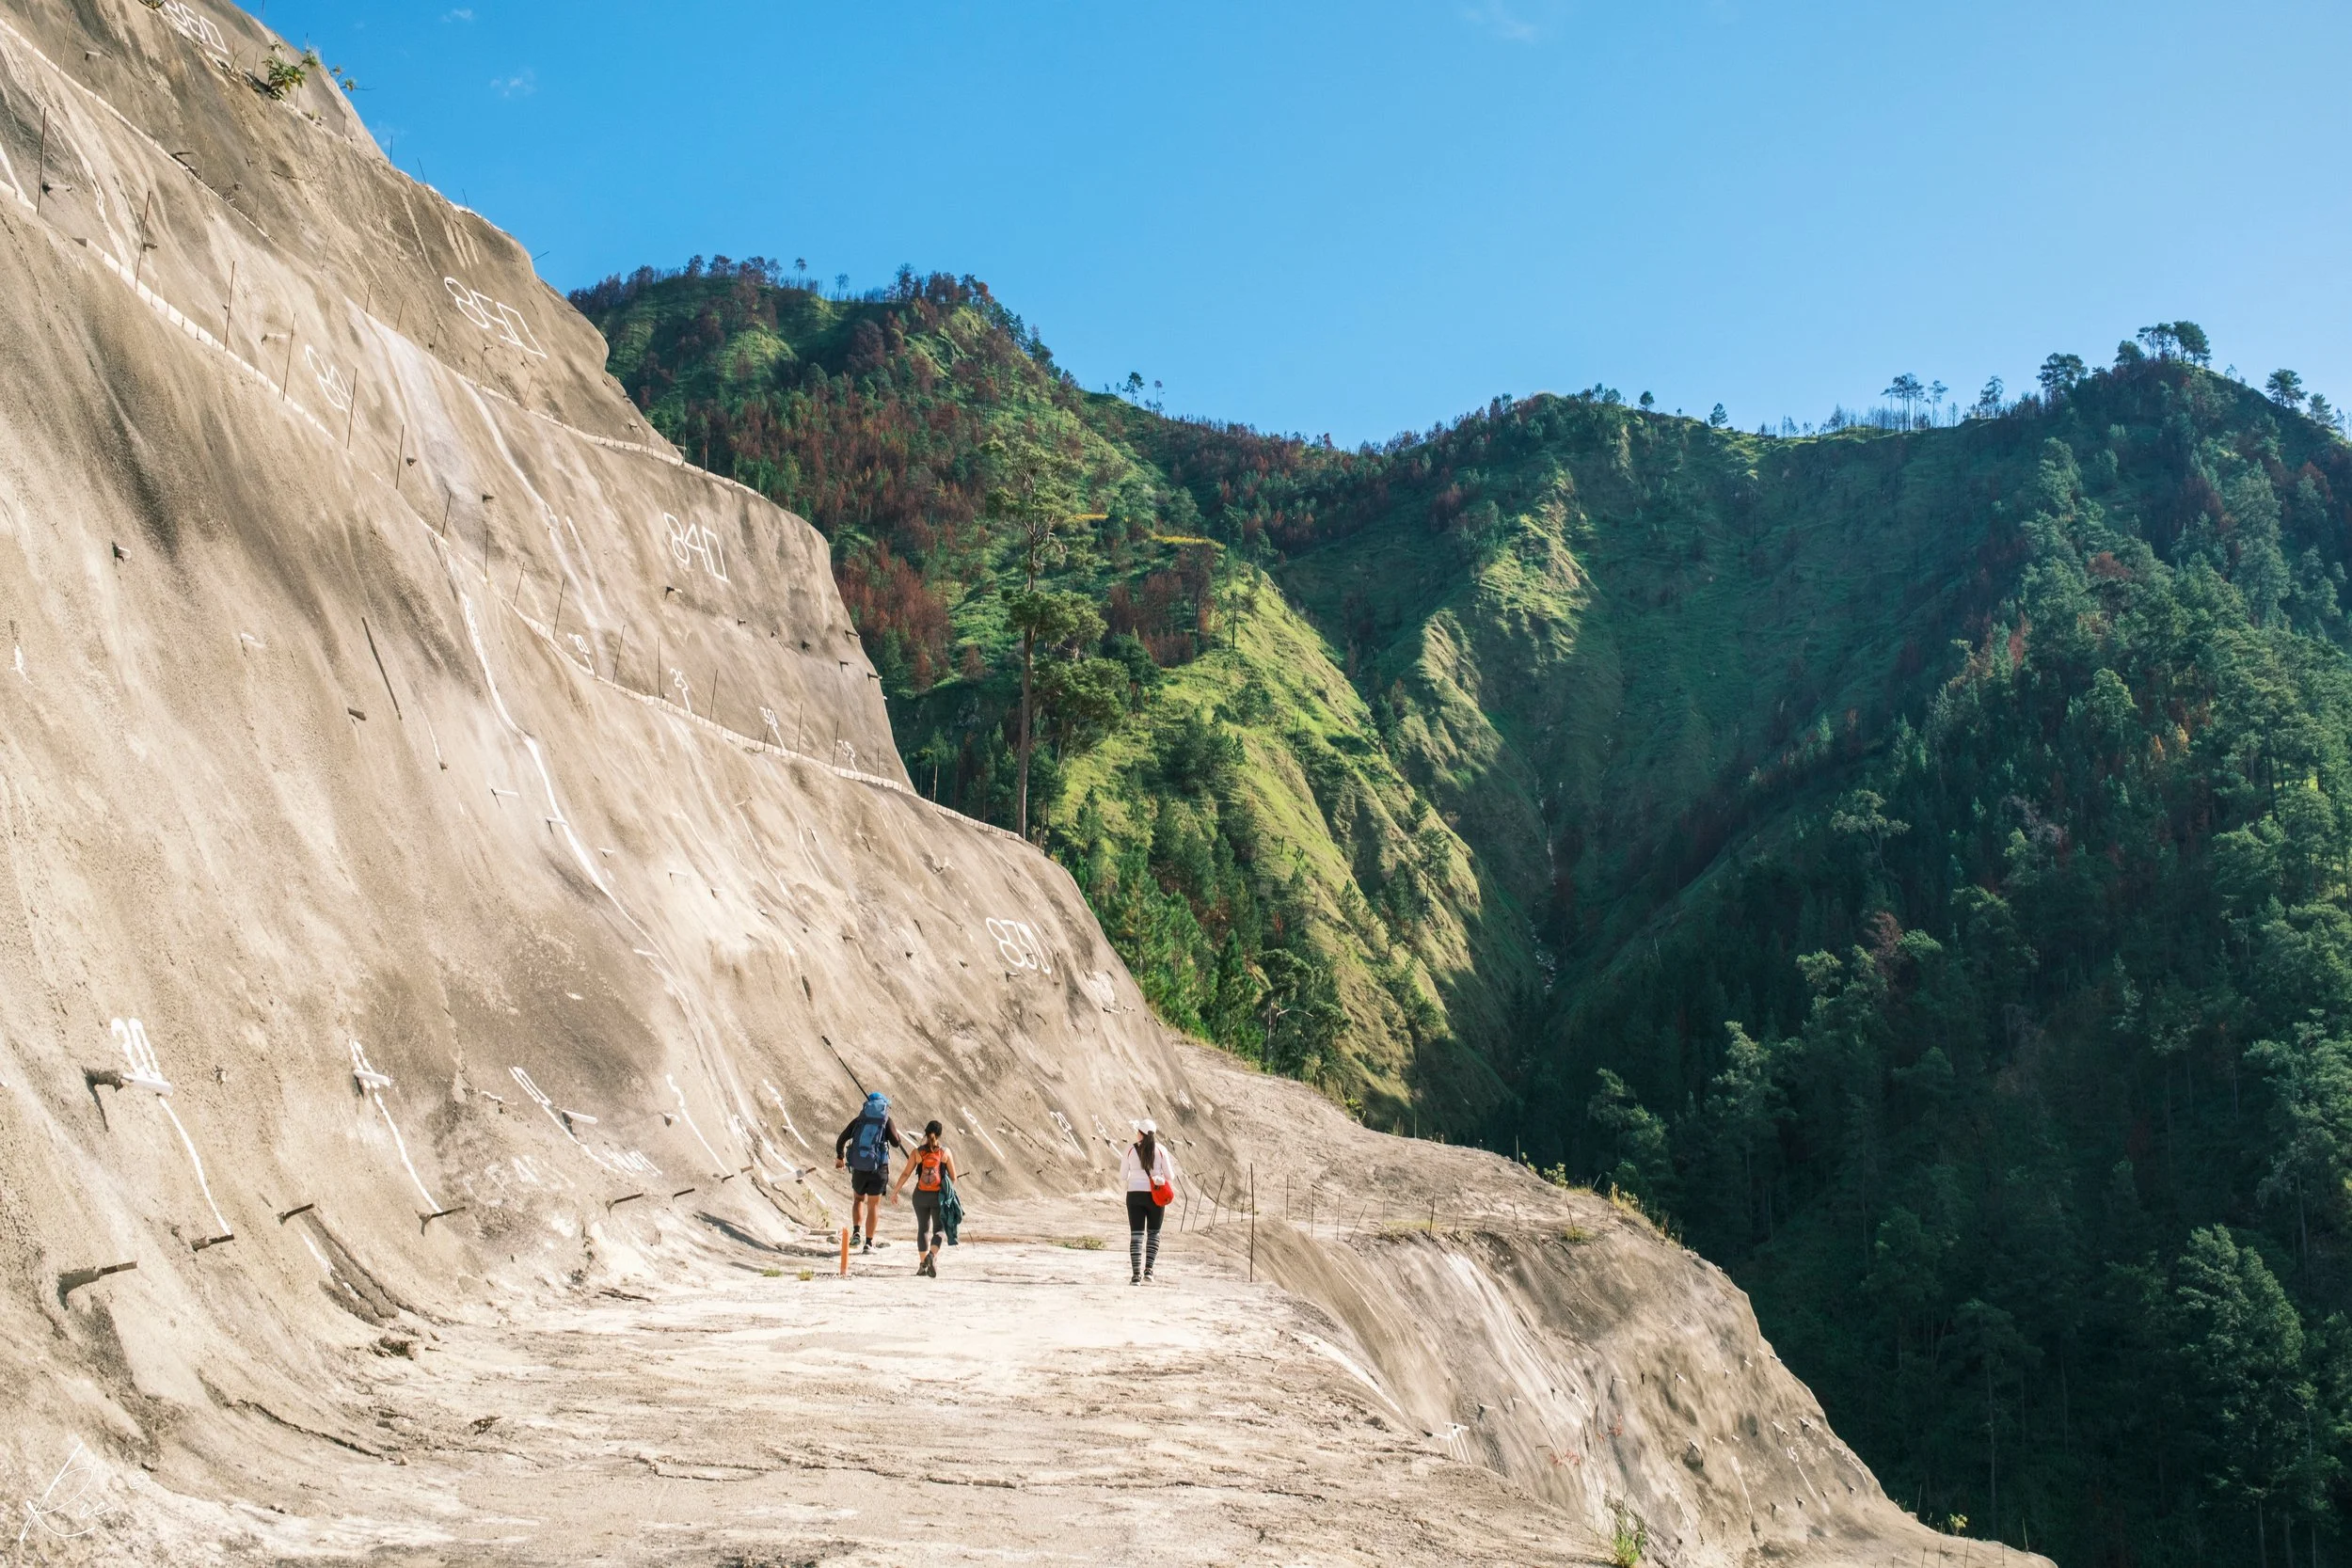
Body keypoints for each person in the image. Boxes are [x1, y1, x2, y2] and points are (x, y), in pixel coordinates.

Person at [834, 1091, 906, 1253]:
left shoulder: (859, 1120)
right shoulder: (886, 1120)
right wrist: (897, 1137)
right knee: (873, 1205)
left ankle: (856, 1233)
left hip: (859, 1166)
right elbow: (895, 1143)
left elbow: (842, 1139)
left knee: (858, 1199)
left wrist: (840, 1157)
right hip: (878, 1168)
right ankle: (869, 1243)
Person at [891, 1119, 960, 1276]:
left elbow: (906, 1174)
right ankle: (932, 1255)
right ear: (940, 1134)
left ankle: (923, 1266)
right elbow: (953, 1177)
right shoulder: (945, 1152)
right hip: (938, 1197)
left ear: (926, 1133)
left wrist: (895, 1191)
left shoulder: (917, 1152)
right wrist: (947, 1193)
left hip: (920, 1196)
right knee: (940, 1229)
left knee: (923, 1229)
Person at [1120, 1118, 1177, 1285]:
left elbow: (1123, 1176)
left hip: (1134, 1195)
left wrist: (1136, 1176)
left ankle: (1135, 1276)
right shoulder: (1161, 1150)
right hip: (1155, 1195)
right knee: (1153, 1233)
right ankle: (1149, 1271)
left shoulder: (1130, 1150)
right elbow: (1170, 1176)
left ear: (1140, 1133)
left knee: (1136, 1235)